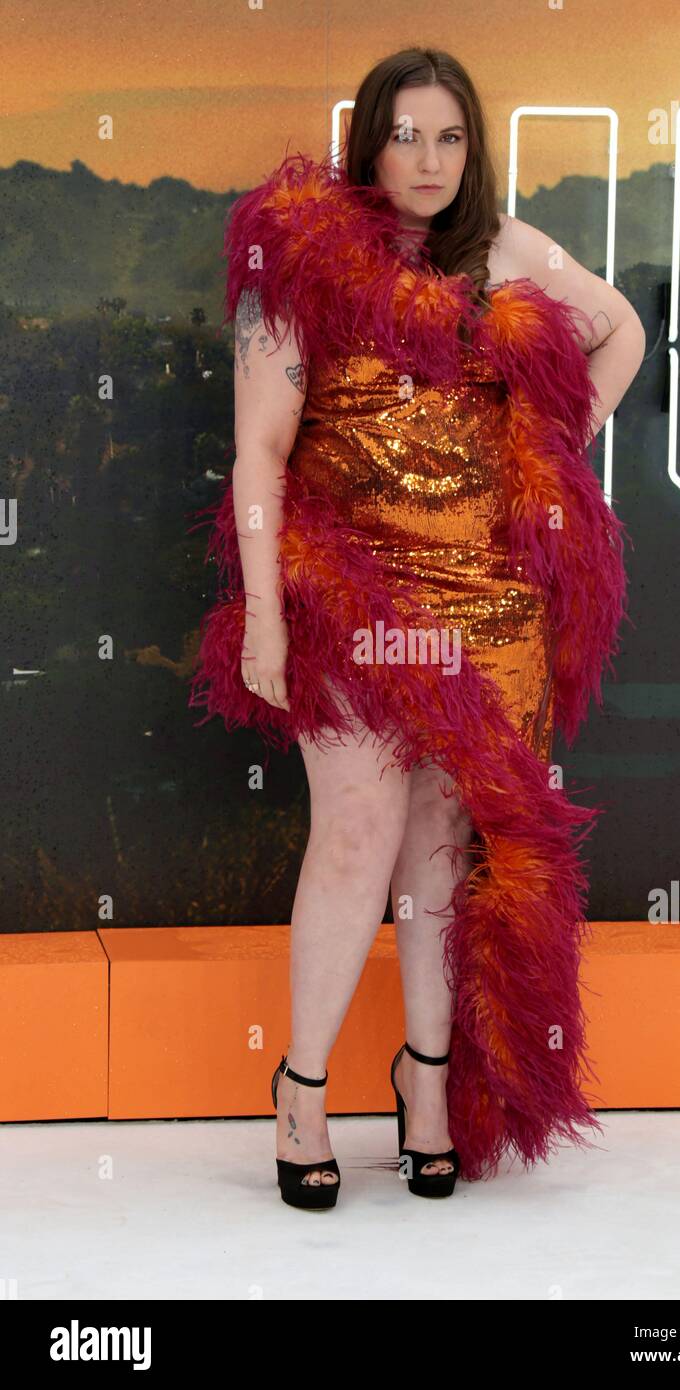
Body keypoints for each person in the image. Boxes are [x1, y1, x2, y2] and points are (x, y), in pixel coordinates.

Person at [189, 46, 644, 1209]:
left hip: (485, 602)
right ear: (368, 143)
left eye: (448, 138)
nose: (427, 161)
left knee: (441, 851)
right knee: (356, 832)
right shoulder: (296, 264)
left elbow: (619, 328)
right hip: (346, 592)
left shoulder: (506, 251)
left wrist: (549, 445)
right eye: (405, 136)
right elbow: (258, 452)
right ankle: (298, 1091)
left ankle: (426, 1082)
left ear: (471, 147)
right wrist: (264, 622)